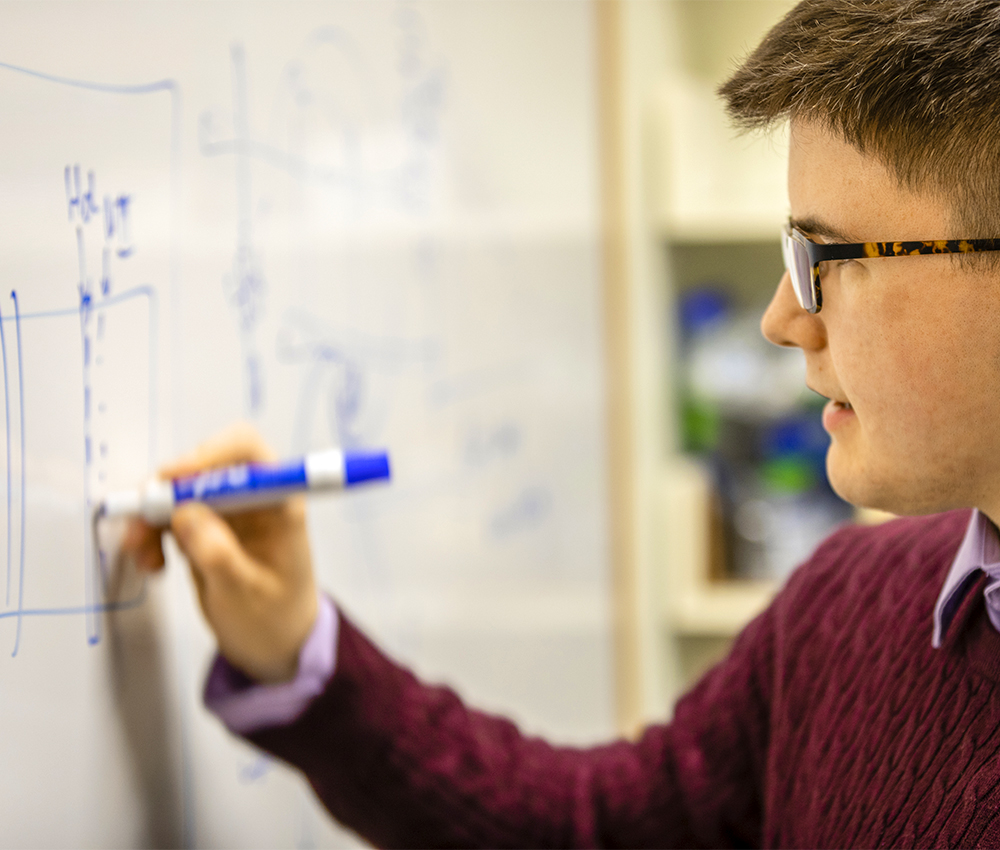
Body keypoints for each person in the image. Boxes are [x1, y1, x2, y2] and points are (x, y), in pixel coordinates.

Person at [124, 1, 1000, 846]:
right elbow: (594, 827)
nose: (781, 317)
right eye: (789, 254)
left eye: (824, 257)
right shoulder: (851, 608)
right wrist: (297, 648)